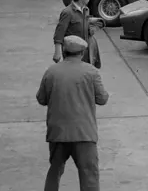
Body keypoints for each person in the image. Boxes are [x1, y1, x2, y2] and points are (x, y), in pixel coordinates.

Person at [37, 35, 109, 191]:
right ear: (82, 53)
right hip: (84, 133)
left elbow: (41, 99)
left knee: (55, 170)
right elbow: (103, 99)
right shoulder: (91, 72)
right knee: (89, 175)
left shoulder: (51, 71)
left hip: (58, 133)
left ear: (64, 51)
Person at [53, 0, 103, 67]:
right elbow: (59, 33)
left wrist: (92, 24)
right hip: (72, 52)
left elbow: (84, 22)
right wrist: (57, 52)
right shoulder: (67, 12)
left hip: (85, 49)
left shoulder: (86, 9)